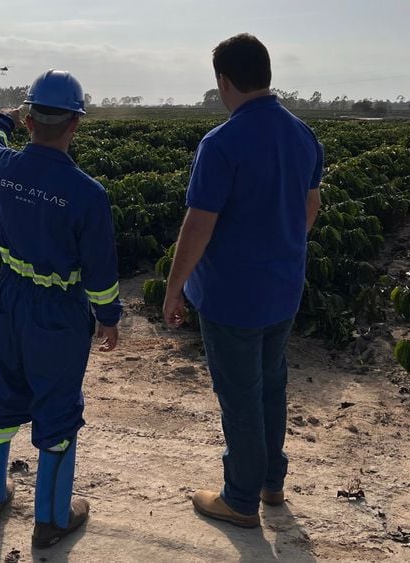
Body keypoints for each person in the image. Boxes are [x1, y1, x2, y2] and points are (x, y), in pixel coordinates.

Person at [163, 34, 323, 528]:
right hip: (282, 288)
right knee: (272, 385)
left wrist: (174, 288)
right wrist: (279, 247)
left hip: (232, 297)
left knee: (240, 398)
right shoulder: (302, 135)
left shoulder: (222, 142)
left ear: (224, 81)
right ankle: (272, 483)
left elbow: (198, 226)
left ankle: (239, 497)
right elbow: (309, 209)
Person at [0, 69, 122, 548]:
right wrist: (110, 318)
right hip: (58, 311)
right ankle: (52, 519)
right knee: (56, 406)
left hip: (9, 296)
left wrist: (3, 117)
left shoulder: (3, 167)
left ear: (30, 119)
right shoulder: (88, 194)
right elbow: (100, 272)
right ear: (76, 124)